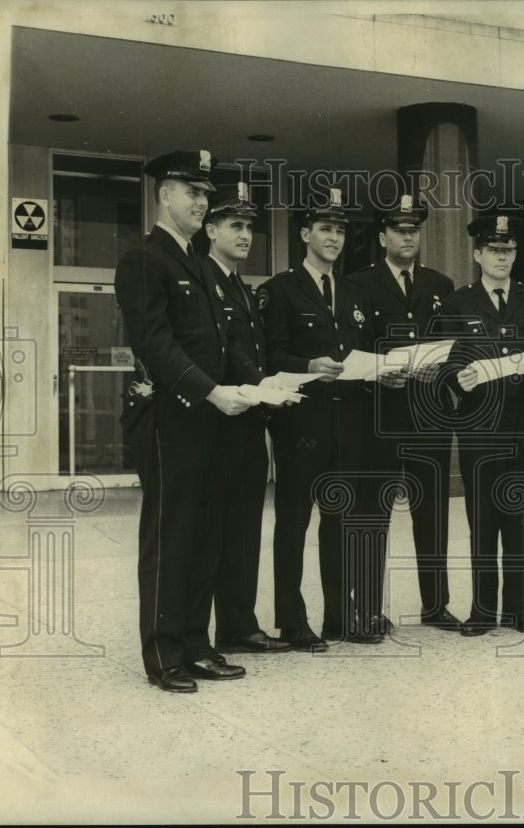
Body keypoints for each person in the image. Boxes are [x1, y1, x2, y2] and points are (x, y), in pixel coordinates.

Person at [115, 149, 250, 692]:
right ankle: (164, 654)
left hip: (212, 420)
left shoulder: (197, 261)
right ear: (163, 195)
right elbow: (155, 344)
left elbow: (219, 342)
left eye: (204, 192)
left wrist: (256, 386)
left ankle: (196, 643)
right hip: (172, 420)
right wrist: (212, 391)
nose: (200, 201)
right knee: (172, 539)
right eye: (190, 191)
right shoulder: (145, 260)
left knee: (205, 538)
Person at [257, 187, 381, 648]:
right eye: (325, 228)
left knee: (340, 521)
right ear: (305, 233)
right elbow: (268, 356)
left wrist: (376, 374)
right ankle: (292, 621)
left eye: (340, 230)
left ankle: (339, 617)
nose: (333, 237)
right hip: (300, 423)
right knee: (293, 523)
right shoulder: (278, 290)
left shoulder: (354, 293)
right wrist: (307, 367)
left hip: (347, 421)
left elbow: (363, 351)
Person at [345, 194, 462, 633]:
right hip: (381, 417)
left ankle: (436, 604)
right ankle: (369, 609)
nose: (407, 236)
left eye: (413, 230)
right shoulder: (359, 283)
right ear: (382, 236)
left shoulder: (440, 285)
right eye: (398, 230)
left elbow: (455, 348)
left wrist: (445, 371)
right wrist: (377, 375)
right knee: (372, 515)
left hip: (430, 416)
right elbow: (353, 349)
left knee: (432, 515)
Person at [439, 215, 524, 636]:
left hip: (523, 426)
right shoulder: (457, 303)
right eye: (493, 250)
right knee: (483, 518)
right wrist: (457, 377)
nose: (501, 257)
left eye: (507, 251)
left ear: (515, 254)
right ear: (477, 254)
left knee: (519, 516)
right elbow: (445, 361)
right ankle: (483, 610)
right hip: (479, 427)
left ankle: (518, 609)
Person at [200, 184, 292, 654]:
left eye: (250, 227)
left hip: (248, 424)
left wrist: (270, 383)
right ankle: (218, 631)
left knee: (242, 532)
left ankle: (239, 626)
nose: (245, 234)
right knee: (215, 533)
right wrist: (262, 381)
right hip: (221, 423)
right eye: (235, 225)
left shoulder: (241, 285)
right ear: (210, 229)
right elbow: (228, 351)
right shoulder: (205, 280)